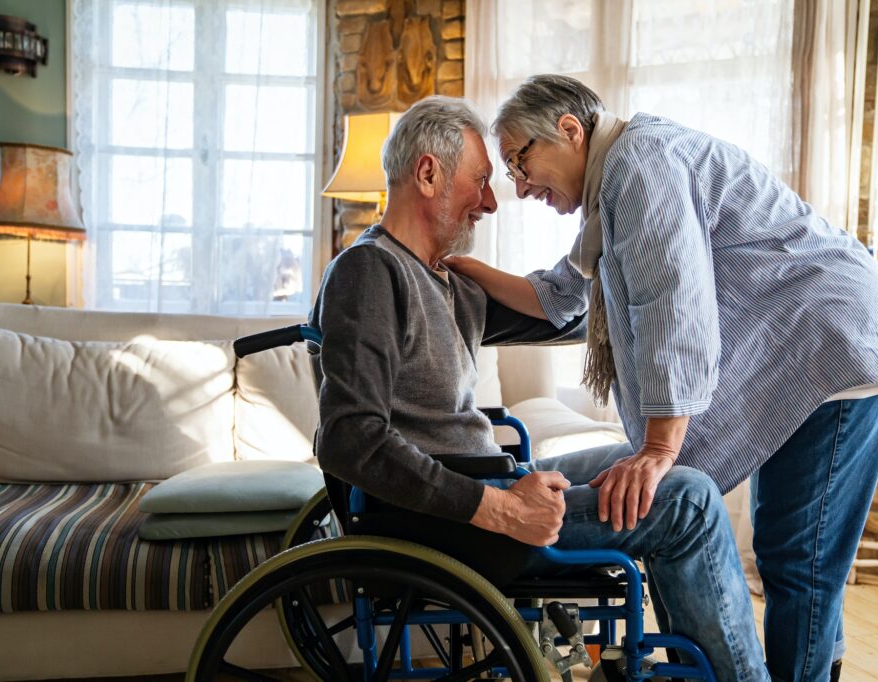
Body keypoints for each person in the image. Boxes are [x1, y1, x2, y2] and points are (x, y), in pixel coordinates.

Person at [445, 75, 878, 682]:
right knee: (789, 548)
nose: (520, 189)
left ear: (569, 131)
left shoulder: (640, 165)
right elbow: (559, 296)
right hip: (812, 345)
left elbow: (670, 301)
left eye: (520, 164)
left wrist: (659, 447)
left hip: (836, 344)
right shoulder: (610, 185)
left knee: (800, 558)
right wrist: (460, 266)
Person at [309, 95, 770, 681]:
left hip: (486, 487)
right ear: (427, 174)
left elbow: (572, 317)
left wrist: (640, 240)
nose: (491, 202)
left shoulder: (445, 281)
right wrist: (499, 508)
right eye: (479, 181)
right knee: (689, 502)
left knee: (645, 463)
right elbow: (351, 439)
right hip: (454, 522)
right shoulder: (370, 272)